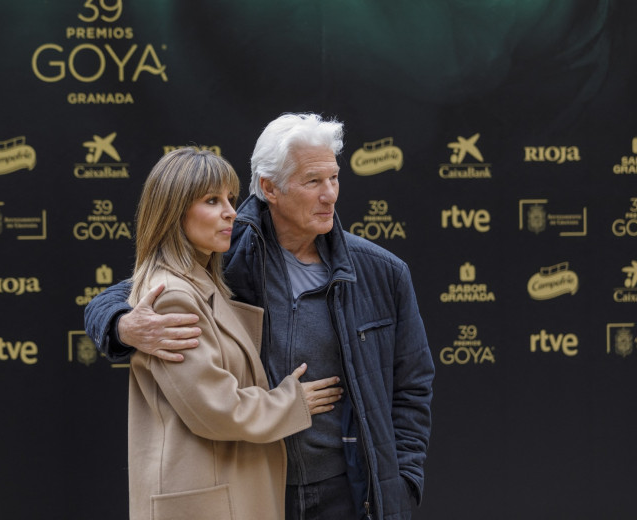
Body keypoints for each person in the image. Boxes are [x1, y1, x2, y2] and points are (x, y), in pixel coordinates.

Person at [86, 113, 435, 520]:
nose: (330, 195)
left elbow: (412, 383)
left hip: (351, 493)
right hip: (258, 492)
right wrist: (122, 325)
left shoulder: (382, 271)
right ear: (270, 188)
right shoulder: (223, 254)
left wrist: (403, 481)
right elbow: (122, 294)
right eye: (313, 182)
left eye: (334, 178)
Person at [123, 147, 343, 520]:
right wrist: (292, 402)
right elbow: (216, 408)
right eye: (212, 200)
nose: (230, 211)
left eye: (230, 198)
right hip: (205, 503)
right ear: (173, 212)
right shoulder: (172, 296)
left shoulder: (199, 282)